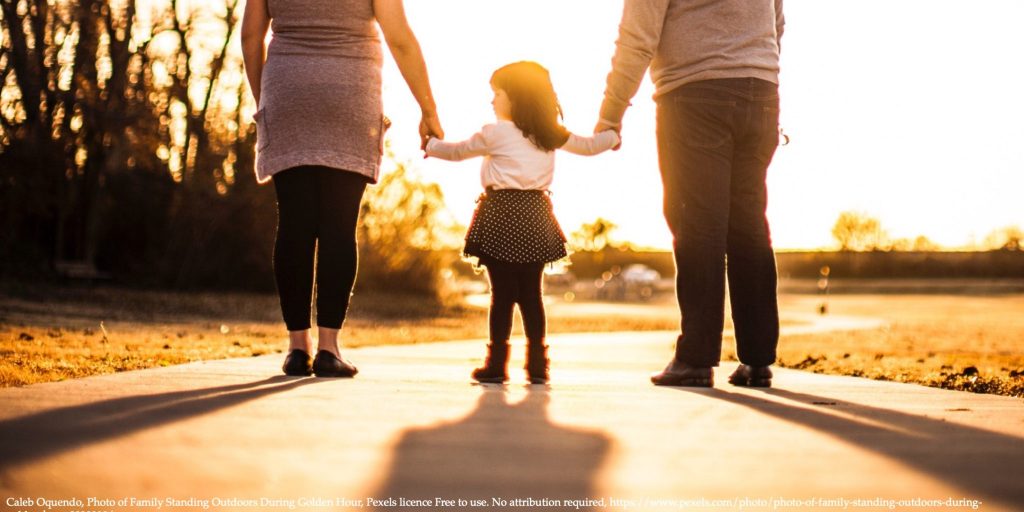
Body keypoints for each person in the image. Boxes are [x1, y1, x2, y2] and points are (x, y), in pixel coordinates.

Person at [241, 0, 443, 377]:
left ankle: (297, 348)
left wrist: (265, 96)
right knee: (339, 227)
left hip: (288, 89)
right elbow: (399, 39)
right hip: (351, 92)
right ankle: (329, 349)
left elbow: (252, 35)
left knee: (294, 225)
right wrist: (428, 109)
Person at [596, 0, 785, 387]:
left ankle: (696, 358)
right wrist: (751, 62)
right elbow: (776, 21)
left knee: (698, 223)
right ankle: (757, 360)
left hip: (694, 93)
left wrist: (611, 113)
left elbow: (638, 37)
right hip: (761, 91)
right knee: (749, 224)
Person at [426, 61, 619, 384]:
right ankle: (537, 365)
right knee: (532, 294)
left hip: (501, 215)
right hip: (535, 216)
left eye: (496, 93)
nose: (492, 101)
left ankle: (497, 364)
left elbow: (458, 152)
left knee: (501, 295)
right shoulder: (548, 133)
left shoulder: (496, 132)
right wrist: (612, 137)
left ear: (514, 96)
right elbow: (588, 146)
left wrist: (429, 145)